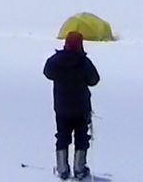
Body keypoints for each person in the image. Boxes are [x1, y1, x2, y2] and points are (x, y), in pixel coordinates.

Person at [43, 31, 100, 180]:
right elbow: (94, 80)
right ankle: (79, 169)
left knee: (62, 136)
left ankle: (62, 168)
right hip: (81, 108)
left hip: (61, 107)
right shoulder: (83, 62)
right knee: (81, 137)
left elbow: (47, 72)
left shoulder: (56, 60)